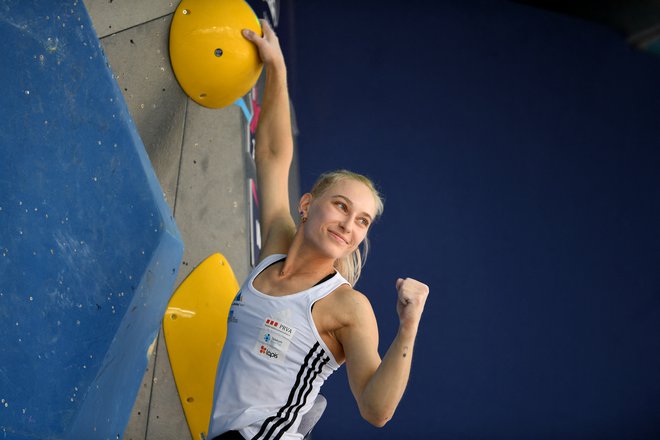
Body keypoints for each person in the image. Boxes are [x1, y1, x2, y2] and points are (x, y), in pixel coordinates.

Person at [208, 20, 429, 440]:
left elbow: (375, 410)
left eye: (362, 221)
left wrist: (409, 325)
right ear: (307, 205)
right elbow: (272, 155)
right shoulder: (275, 244)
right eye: (341, 206)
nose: (349, 224)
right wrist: (277, 68)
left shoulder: (347, 307)